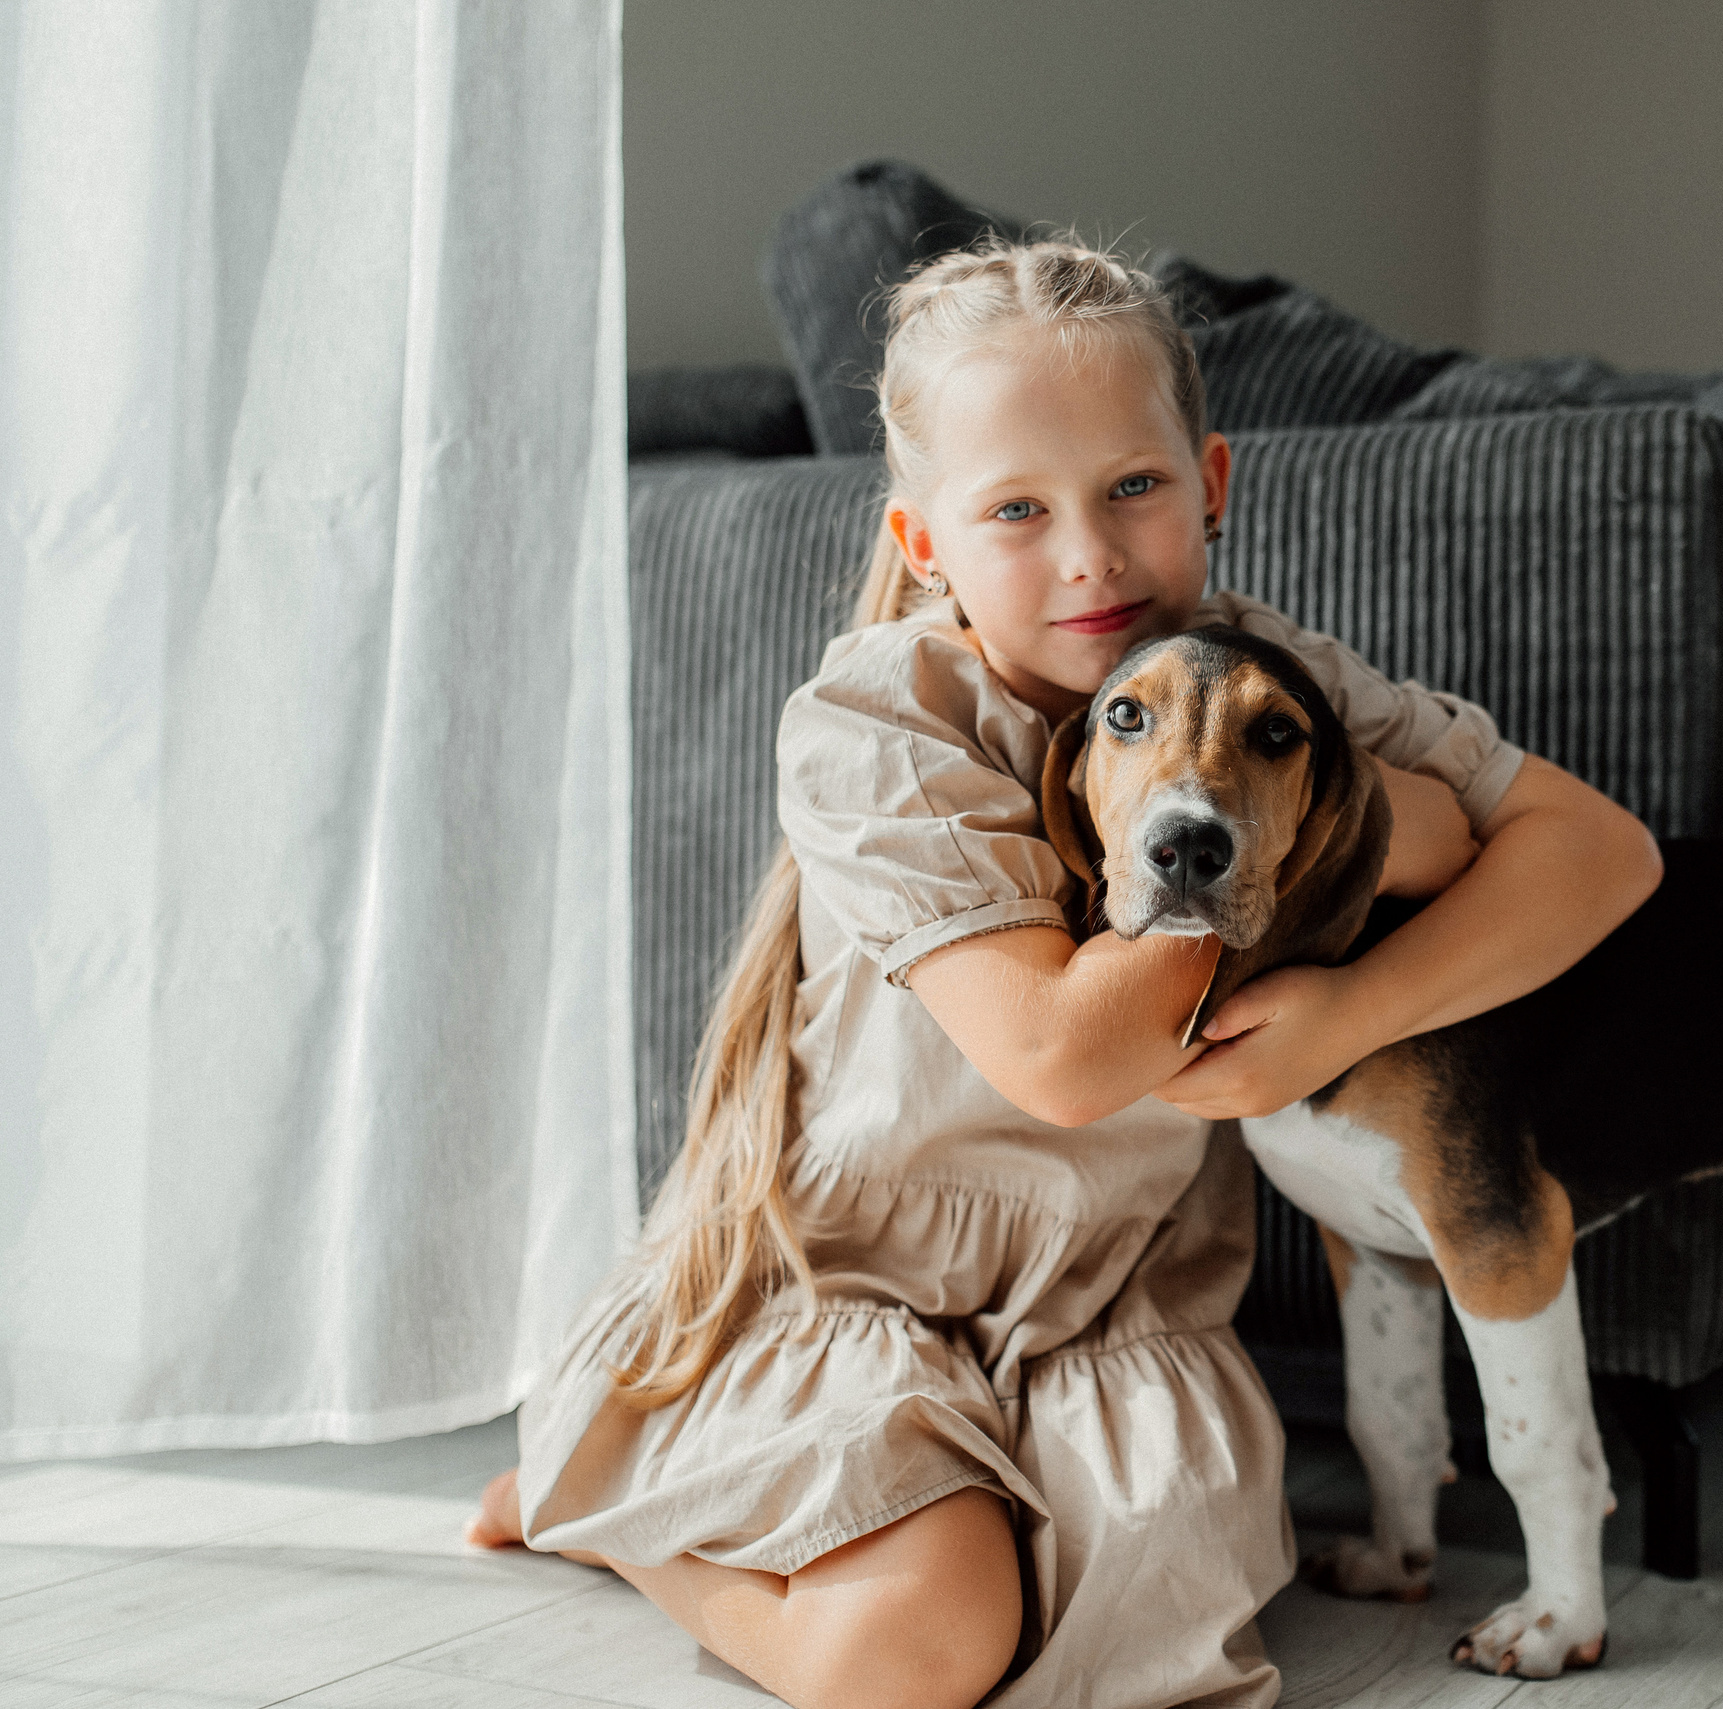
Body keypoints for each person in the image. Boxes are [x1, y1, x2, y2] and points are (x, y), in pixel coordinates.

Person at [465, 238, 1661, 1709]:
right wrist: (1329, 825)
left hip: (1107, 1308)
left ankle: (725, 1499)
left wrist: (1350, 1010)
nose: (1090, 554)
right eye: (1017, 509)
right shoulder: (879, 726)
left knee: (1157, 1622)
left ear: (1212, 480)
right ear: (924, 543)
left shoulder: (1271, 672)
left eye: (1134, 489)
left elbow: (1603, 856)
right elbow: (1064, 1058)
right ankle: (624, 1515)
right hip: (860, 1288)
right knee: (932, 1643)